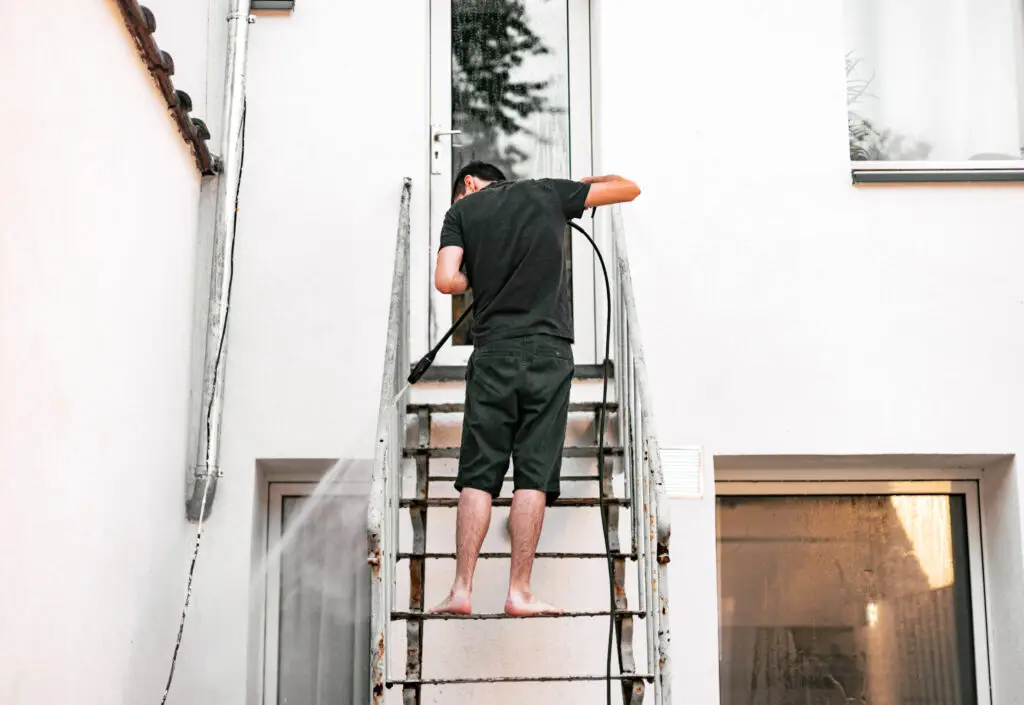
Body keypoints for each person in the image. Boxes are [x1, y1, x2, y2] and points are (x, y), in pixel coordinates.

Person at [430, 161, 641, 616]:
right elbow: (630, 189)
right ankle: (519, 592)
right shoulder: (548, 193)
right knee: (534, 475)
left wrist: (477, 277)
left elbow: (447, 281)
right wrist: (584, 185)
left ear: (468, 183)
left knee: (479, 474)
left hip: (493, 356)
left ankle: (462, 589)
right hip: (549, 354)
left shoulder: (462, 215)